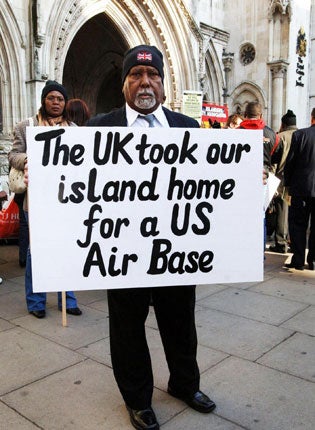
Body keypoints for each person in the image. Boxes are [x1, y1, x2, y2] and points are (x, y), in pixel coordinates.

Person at [86, 45, 216, 430]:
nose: (145, 83)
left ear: (163, 83)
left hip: (175, 252)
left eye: (152, 75)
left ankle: (184, 385)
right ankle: (138, 399)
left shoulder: (187, 128)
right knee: (126, 327)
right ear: (125, 84)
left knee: (180, 321)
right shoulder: (99, 129)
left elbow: (211, 183)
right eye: (135, 76)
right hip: (122, 252)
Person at [8, 80, 82, 318]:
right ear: (44, 100)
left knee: (67, 248)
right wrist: (29, 160)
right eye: (51, 98)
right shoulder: (26, 126)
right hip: (37, 199)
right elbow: (14, 155)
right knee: (36, 251)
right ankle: (36, 302)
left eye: (60, 99)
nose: (56, 102)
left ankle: (67, 300)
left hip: (66, 199)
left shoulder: (74, 129)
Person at [283, 107, 315, 271]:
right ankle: (313, 260)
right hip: (303, 187)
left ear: (312, 118)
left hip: (301, 187)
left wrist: (287, 183)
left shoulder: (300, 135)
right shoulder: (299, 135)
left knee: (297, 224)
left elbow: (291, 163)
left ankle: (298, 259)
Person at [269, 110, 298, 254]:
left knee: (282, 210)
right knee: (296, 213)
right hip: (299, 180)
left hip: (282, 179)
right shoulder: (302, 135)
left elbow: (273, 160)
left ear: (283, 124)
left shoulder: (280, 137)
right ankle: (294, 242)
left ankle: (281, 242)